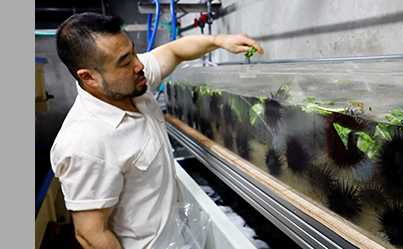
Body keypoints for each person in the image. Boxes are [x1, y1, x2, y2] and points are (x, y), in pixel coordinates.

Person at [50, 12, 263, 249]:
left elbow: (174, 51)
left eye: (133, 51)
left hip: (177, 236)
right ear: (89, 78)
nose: (139, 64)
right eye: (124, 61)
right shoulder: (85, 142)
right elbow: (91, 235)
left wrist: (220, 41)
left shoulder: (131, 81)